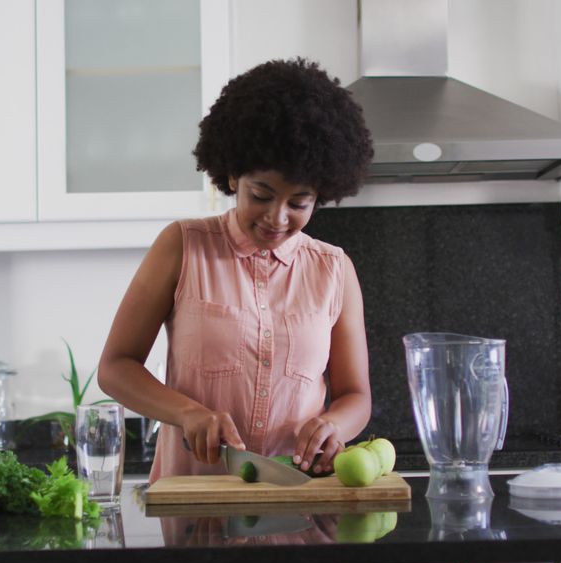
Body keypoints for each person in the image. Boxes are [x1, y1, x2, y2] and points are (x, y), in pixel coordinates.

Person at [98, 57, 374, 483]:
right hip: (195, 503)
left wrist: (333, 426)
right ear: (232, 176)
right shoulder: (182, 246)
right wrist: (187, 413)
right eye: (261, 195)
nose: (277, 218)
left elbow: (355, 396)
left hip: (298, 510)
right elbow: (116, 367)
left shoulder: (334, 269)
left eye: (299, 203)